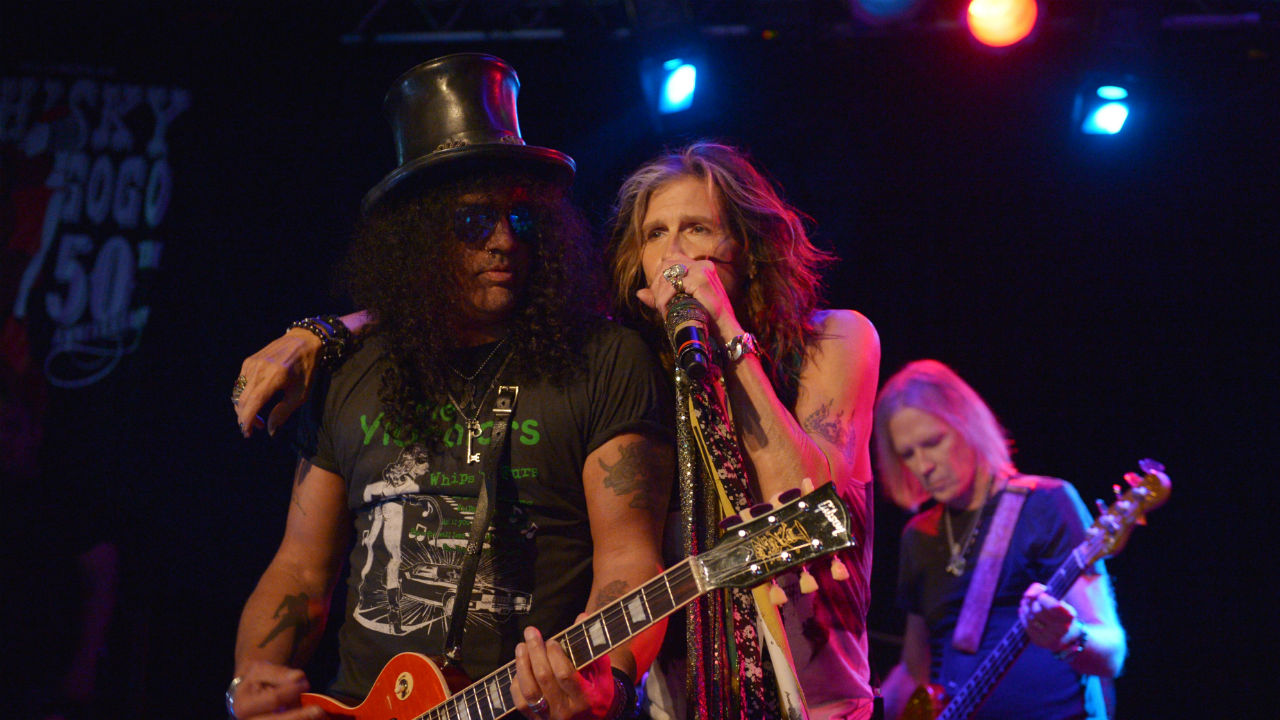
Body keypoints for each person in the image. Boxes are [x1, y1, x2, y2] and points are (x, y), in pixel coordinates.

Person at [234, 142, 880, 719]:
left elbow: (813, 503)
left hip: (815, 698)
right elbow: (446, 302)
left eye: (698, 228)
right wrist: (327, 329)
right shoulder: (641, 358)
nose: (676, 252)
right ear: (634, 259)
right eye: (656, 233)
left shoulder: (831, 340)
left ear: (747, 244)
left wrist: (726, 336)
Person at [227, 53, 674, 720]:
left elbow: (630, 558)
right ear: (419, 239)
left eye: (521, 221)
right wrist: (249, 685)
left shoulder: (605, 359)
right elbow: (301, 569)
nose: (503, 242)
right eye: (473, 222)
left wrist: (605, 681)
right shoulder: (352, 369)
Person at [873, 360, 1127, 720]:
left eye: (932, 442)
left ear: (968, 426)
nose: (923, 466)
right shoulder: (918, 536)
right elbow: (915, 669)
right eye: (907, 454)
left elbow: (1111, 651)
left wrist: (1070, 636)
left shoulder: (1046, 503)